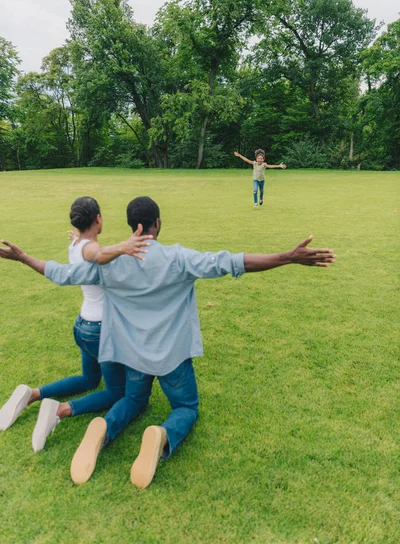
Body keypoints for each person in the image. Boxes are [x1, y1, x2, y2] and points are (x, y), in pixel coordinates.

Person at [0, 196, 335, 488]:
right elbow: (235, 262)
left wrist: (24, 257)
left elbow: (61, 273)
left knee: (133, 400)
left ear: (133, 225)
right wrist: (288, 257)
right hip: (172, 358)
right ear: (157, 223)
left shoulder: (111, 264)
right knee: (186, 408)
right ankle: (161, 435)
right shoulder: (178, 258)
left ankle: (103, 425)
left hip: (132, 356)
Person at [0, 196, 152, 452]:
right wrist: (125, 245)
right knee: (116, 392)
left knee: (89, 378)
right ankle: (60, 410)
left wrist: (25, 257)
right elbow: (98, 254)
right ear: (98, 218)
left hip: (83, 326)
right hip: (101, 331)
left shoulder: (76, 244)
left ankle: (34, 394)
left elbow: (89, 251)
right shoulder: (89, 249)